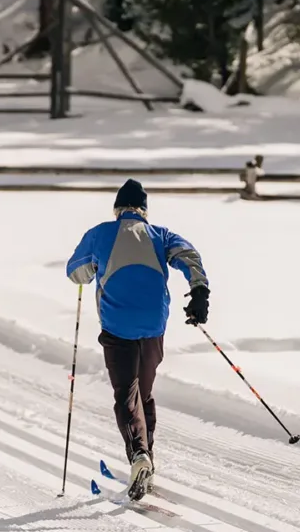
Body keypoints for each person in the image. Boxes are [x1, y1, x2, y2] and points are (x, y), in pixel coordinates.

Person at [65, 178, 209, 500]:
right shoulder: (161, 235)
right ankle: (148, 460)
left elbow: (76, 272)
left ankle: (139, 455)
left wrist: (93, 269)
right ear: (144, 211)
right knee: (143, 394)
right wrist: (199, 291)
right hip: (154, 326)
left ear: (117, 210)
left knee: (126, 396)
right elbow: (189, 255)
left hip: (118, 327)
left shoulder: (101, 233)